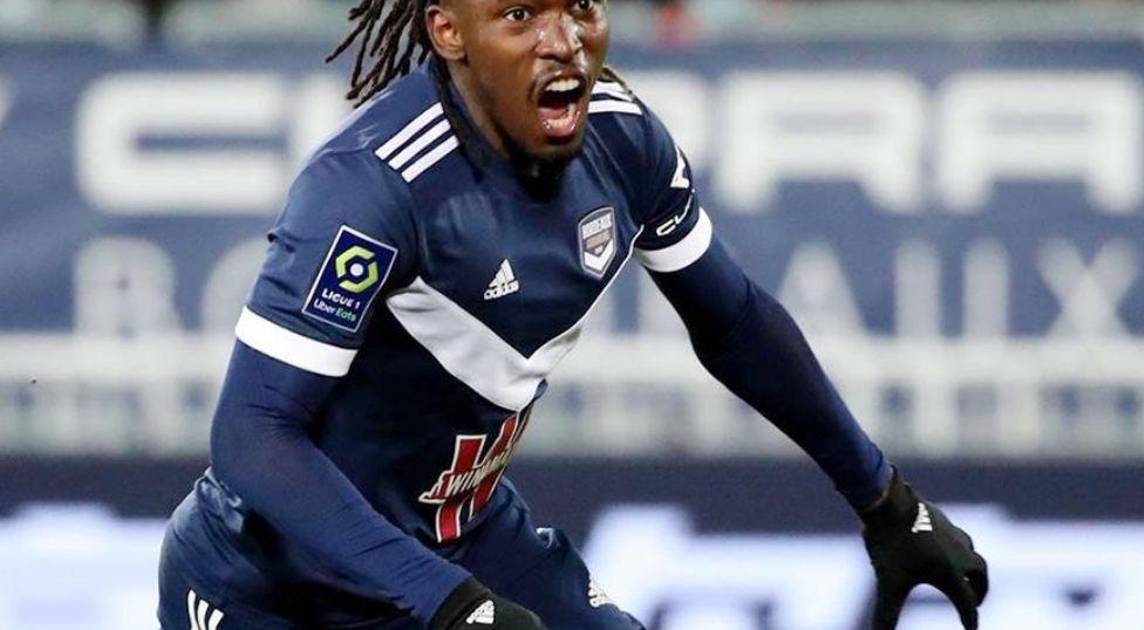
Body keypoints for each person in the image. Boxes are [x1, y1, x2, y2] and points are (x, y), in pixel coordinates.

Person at [156, 1, 989, 628]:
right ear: (449, 32)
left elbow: (733, 321)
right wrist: (453, 607)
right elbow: (253, 434)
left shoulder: (624, 141)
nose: (564, 42)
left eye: (581, 5)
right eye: (521, 14)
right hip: (277, 585)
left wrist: (886, 501)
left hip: (465, 541)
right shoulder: (371, 186)